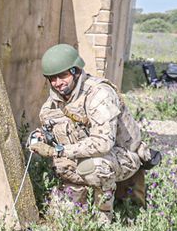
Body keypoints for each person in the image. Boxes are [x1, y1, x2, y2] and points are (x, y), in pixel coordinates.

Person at [27, 43, 154, 220]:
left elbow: (103, 144)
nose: (58, 83)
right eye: (52, 78)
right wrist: (42, 138)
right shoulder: (53, 103)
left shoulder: (99, 94)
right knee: (60, 215)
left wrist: (58, 151)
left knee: (95, 167)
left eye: (62, 76)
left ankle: (103, 217)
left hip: (121, 155)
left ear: (75, 71)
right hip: (82, 158)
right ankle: (80, 203)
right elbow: (53, 130)